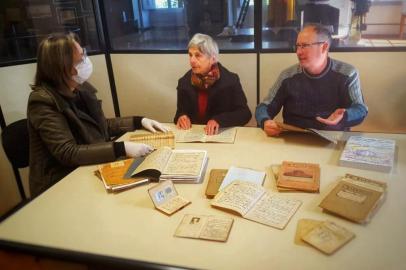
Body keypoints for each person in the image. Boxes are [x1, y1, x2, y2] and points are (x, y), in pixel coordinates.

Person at [27, 32, 169, 197]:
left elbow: (101, 125)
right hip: (60, 183)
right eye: (80, 57)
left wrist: (139, 121)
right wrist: (120, 148)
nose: (85, 60)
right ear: (63, 66)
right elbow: (68, 152)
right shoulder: (42, 101)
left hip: (88, 168)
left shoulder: (79, 87)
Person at [255, 23, 367, 136]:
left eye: (304, 46)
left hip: (332, 138)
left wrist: (345, 115)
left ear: (324, 47)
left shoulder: (347, 73)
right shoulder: (288, 76)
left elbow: (360, 109)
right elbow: (265, 106)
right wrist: (265, 121)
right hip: (294, 139)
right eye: (297, 46)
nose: (298, 52)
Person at [174, 33, 252, 135]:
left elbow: (245, 113)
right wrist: (181, 117)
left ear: (213, 59)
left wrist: (219, 120)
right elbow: (179, 112)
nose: (192, 60)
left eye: (198, 55)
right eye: (190, 55)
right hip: (194, 136)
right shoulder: (184, 82)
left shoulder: (230, 81)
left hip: (219, 135)